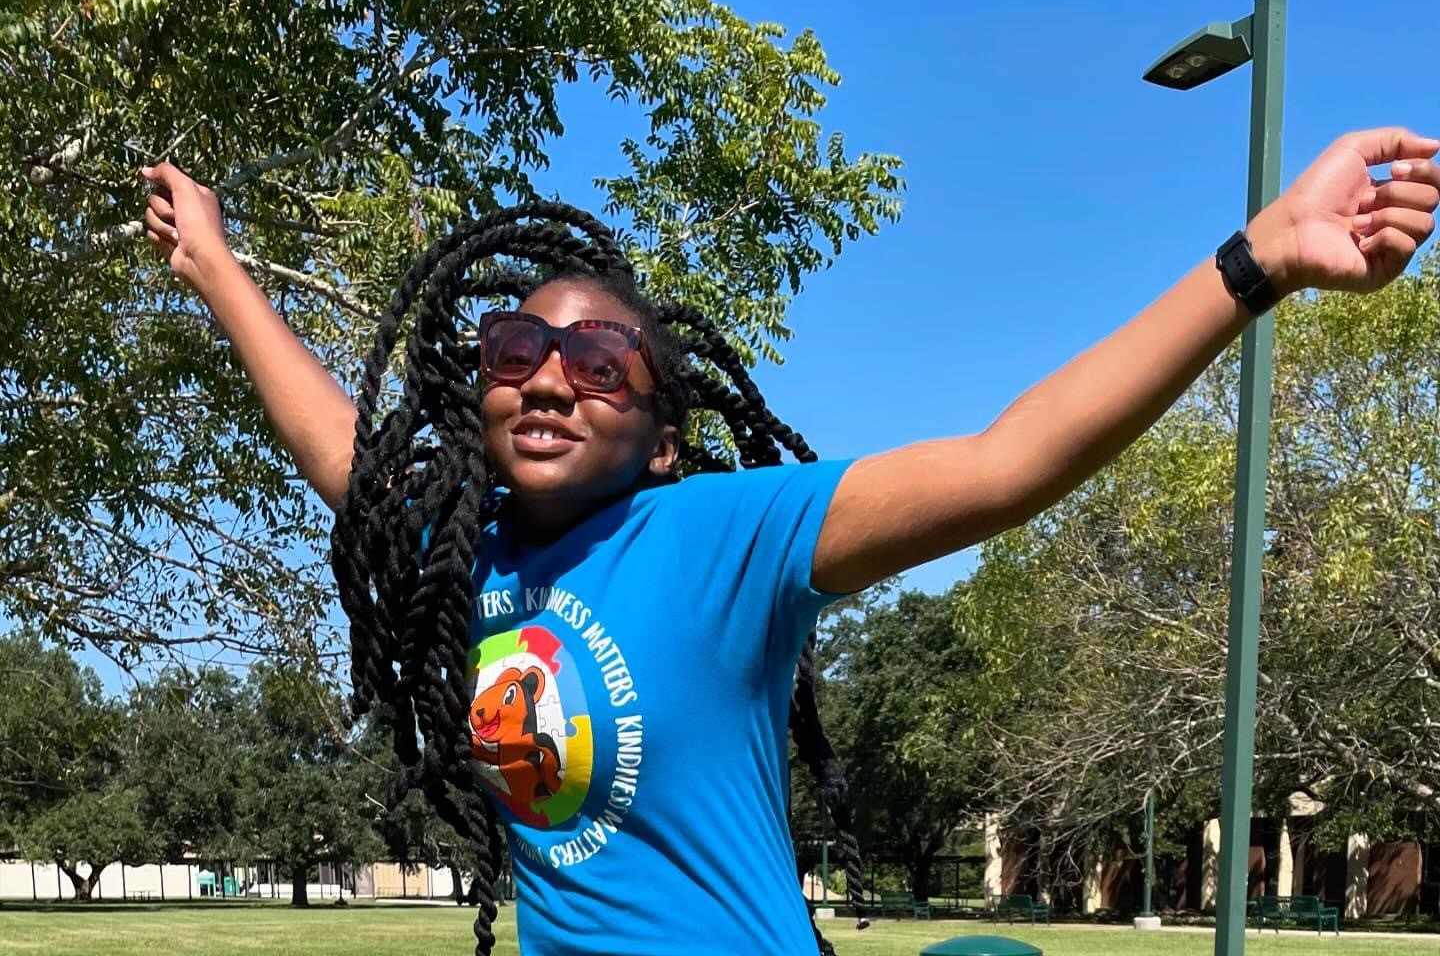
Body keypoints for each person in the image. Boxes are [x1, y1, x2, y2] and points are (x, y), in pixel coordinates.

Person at [140, 125, 1438, 955]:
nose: (547, 379)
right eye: (516, 350)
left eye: (598, 360)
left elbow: (1005, 463)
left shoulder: (718, 536)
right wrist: (214, 264)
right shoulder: (455, 554)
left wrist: (1257, 259)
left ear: (660, 433)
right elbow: (339, 448)